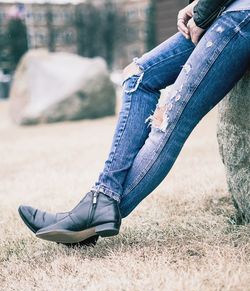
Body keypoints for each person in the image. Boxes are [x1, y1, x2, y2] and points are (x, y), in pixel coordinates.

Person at [18, 0, 250, 246]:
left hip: (241, 17)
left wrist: (203, 13)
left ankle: (93, 213)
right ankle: (100, 200)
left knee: (167, 121)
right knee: (137, 75)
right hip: (225, 9)